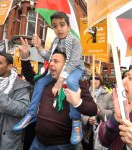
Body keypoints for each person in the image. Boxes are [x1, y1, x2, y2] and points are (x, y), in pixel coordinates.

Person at [13, 11, 85, 144]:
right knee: (40, 82)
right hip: (60, 71)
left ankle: (76, 121)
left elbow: (73, 62)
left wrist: (59, 82)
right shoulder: (56, 41)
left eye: (62, 25)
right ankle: (31, 113)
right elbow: (48, 57)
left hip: (74, 69)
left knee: (71, 81)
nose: (59, 29)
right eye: (55, 26)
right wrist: (39, 47)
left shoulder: (75, 41)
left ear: (68, 27)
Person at [27, 50, 97, 150]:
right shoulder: (45, 82)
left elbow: (93, 109)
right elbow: (30, 76)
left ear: (66, 66)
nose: (51, 64)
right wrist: (25, 58)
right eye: (51, 61)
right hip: (37, 142)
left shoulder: (77, 85)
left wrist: (78, 103)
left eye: (56, 61)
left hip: (62, 145)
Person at [82, 74, 114, 150]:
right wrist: (87, 119)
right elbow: (78, 110)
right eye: (91, 78)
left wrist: (100, 113)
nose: (94, 80)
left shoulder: (107, 95)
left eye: (96, 78)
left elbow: (113, 112)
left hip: (101, 131)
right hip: (87, 133)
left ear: (100, 81)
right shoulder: (84, 93)